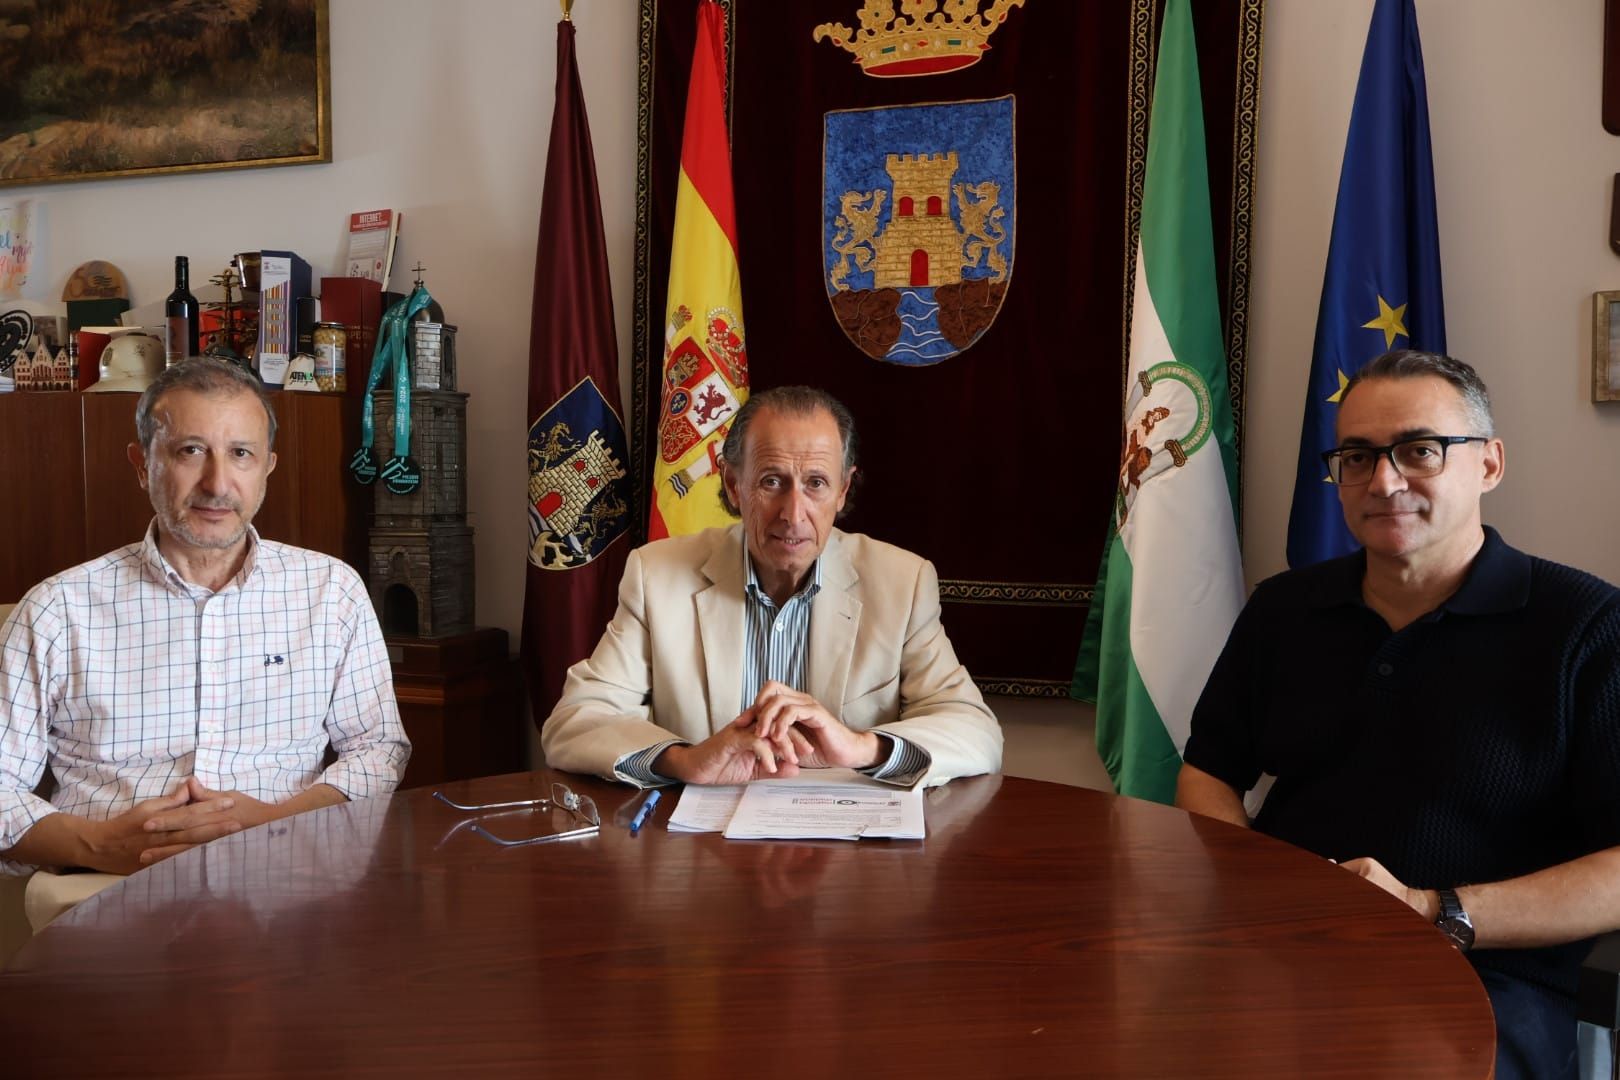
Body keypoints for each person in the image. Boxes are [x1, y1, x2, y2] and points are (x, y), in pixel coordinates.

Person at [1176, 350, 1620, 1079]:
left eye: (1420, 451)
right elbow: (1207, 771)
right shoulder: (1284, 610)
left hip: (1485, 977)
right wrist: (1259, 886)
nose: (1384, 482)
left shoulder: (1588, 627)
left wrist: (1432, 910)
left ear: (1489, 464)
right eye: (1358, 455)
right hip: (1278, 946)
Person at [0, 358, 409, 923]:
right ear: (142, 465)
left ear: (268, 466)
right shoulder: (57, 609)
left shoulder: (331, 592)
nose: (218, 484)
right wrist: (100, 844)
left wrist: (277, 820)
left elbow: (378, 750)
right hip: (102, 893)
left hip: (286, 885)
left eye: (240, 453)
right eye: (190, 450)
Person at [543, 385, 1001, 789]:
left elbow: (976, 733)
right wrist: (687, 761)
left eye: (816, 483)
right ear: (733, 485)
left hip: (850, 861)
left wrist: (861, 747)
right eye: (772, 482)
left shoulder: (902, 582)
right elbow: (573, 723)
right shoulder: (656, 576)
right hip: (701, 856)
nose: (793, 513)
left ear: (843, 491)